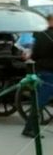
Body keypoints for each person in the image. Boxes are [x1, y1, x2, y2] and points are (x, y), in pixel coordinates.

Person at [20, 10, 53, 138]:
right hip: (50, 71)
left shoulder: (38, 34)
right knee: (40, 101)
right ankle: (29, 128)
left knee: (39, 100)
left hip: (39, 69)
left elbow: (30, 54)